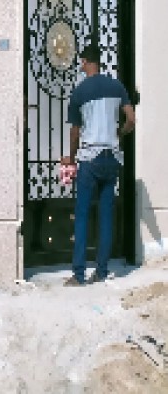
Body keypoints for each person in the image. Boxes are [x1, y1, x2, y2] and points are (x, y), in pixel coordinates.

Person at [61, 43, 135, 286]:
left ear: (85, 62)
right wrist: (119, 134)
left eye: (81, 63)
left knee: (82, 214)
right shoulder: (117, 86)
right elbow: (131, 119)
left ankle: (79, 274)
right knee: (106, 215)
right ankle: (101, 270)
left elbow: (75, 132)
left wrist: (71, 157)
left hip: (90, 159)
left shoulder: (80, 92)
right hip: (111, 157)